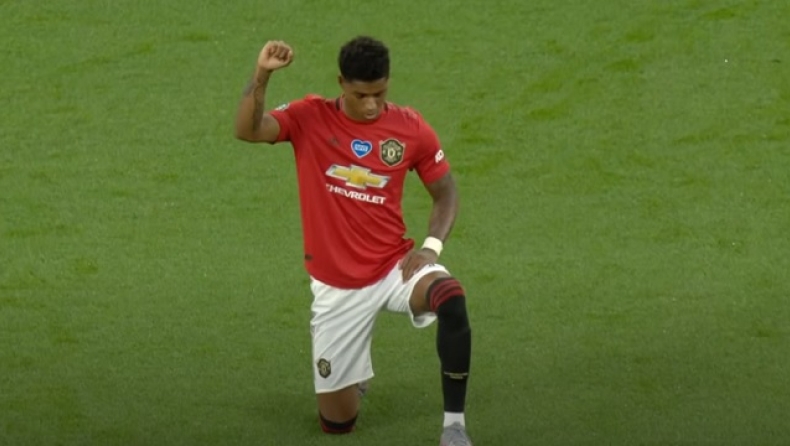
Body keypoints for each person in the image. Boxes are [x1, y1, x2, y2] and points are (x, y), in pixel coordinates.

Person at [234, 36, 474, 446]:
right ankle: (353, 371)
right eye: (361, 95)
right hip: (337, 288)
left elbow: (446, 191)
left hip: (394, 267)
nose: (371, 105)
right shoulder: (309, 117)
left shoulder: (410, 128)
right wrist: (262, 74)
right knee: (338, 425)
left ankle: (454, 426)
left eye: (380, 93)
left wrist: (430, 248)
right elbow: (248, 130)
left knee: (450, 297)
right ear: (341, 83)